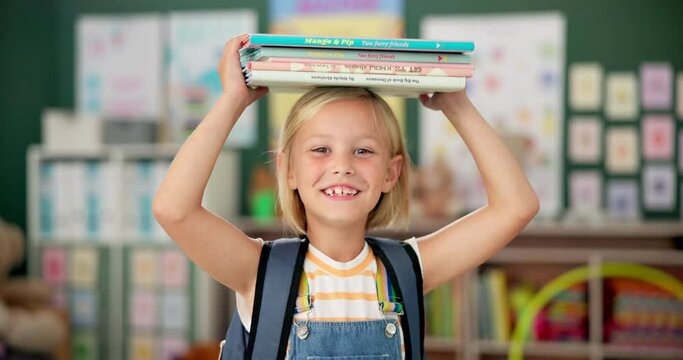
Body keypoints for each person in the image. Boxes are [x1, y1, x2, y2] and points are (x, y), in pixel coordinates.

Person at [153, 33, 539, 359]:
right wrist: (232, 101)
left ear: (392, 173)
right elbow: (174, 209)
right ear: (288, 170)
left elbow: (516, 206)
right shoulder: (259, 271)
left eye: (364, 151)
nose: (343, 165)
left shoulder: (408, 268)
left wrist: (457, 104)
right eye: (321, 150)